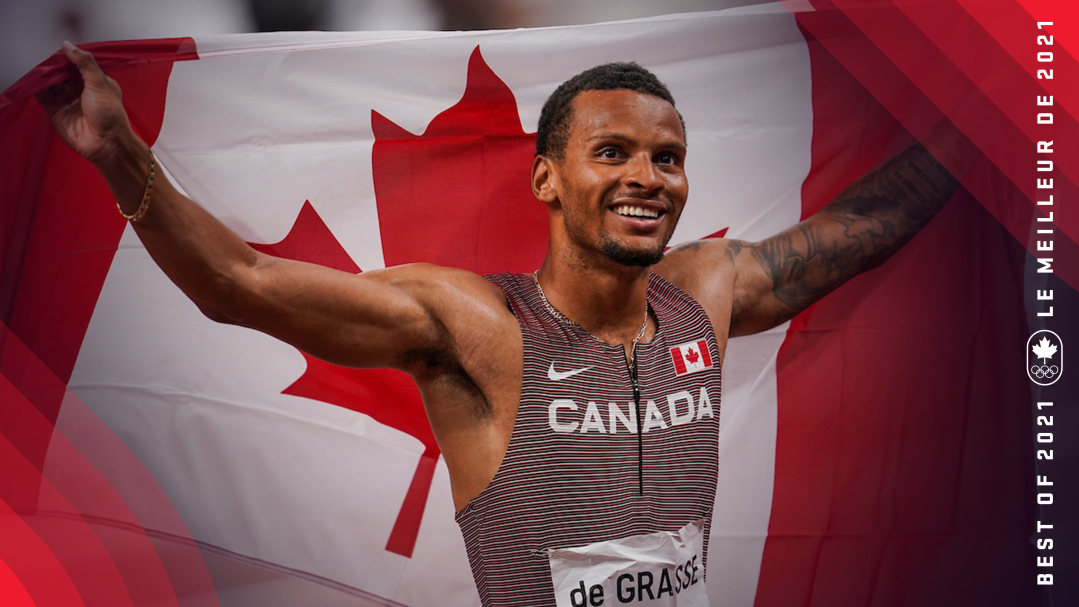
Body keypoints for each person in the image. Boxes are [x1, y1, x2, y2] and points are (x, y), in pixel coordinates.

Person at [41, 41, 972, 606]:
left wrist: (990, 110)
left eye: (667, 157)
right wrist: (123, 156)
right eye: (611, 152)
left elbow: (865, 230)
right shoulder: (474, 324)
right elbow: (239, 281)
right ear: (546, 178)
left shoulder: (708, 290)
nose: (647, 177)